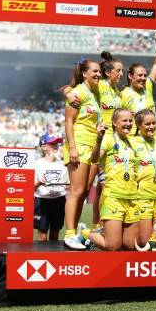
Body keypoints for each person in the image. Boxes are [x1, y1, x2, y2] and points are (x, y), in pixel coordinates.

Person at [64, 51, 124, 231]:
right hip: (85, 144)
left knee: (94, 189)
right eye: (119, 70)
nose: (121, 74)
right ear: (109, 72)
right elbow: (72, 90)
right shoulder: (100, 87)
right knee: (80, 190)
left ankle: (93, 227)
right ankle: (71, 231)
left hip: (98, 143)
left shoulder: (116, 92)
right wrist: (67, 91)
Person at [80, 109, 139, 251]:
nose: (129, 124)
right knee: (113, 246)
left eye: (130, 120)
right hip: (113, 199)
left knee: (130, 245)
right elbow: (94, 159)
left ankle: (103, 232)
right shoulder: (108, 139)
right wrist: (99, 139)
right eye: (124, 121)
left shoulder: (132, 143)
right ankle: (85, 232)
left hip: (132, 199)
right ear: (114, 122)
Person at [62, 58, 102, 250]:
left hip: (91, 146)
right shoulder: (77, 92)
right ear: (84, 73)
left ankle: (76, 233)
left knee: (84, 192)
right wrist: (72, 148)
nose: (98, 74)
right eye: (94, 71)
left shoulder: (93, 93)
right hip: (78, 145)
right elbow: (68, 121)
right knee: (76, 192)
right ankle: (69, 234)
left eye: (100, 71)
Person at [130, 109, 156, 251]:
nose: (151, 126)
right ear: (138, 126)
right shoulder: (132, 142)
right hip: (143, 198)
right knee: (146, 243)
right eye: (147, 124)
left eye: (154, 123)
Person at [121, 32, 156, 132]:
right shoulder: (122, 95)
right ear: (130, 76)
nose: (143, 78)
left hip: (153, 140)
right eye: (140, 75)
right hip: (134, 142)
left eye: (145, 75)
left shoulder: (148, 86)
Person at [34, 134, 68, 242]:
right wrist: (39, 183)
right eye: (52, 143)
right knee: (42, 235)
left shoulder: (63, 164)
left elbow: (67, 184)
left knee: (55, 233)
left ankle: (53, 258)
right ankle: (41, 257)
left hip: (59, 201)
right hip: (42, 201)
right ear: (43, 147)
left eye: (57, 143)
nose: (56, 146)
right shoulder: (36, 164)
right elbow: (30, 188)